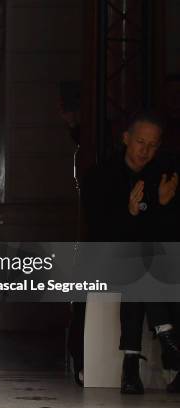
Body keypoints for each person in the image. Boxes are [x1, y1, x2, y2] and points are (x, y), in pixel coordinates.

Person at [81, 112, 180, 394]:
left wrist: (162, 204)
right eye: (140, 142)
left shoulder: (163, 175)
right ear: (125, 139)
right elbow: (100, 230)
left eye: (153, 145)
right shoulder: (100, 176)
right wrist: (130, 213)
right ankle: (166, 334)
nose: (145, 151)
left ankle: (131, 365)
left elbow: (168, 235)